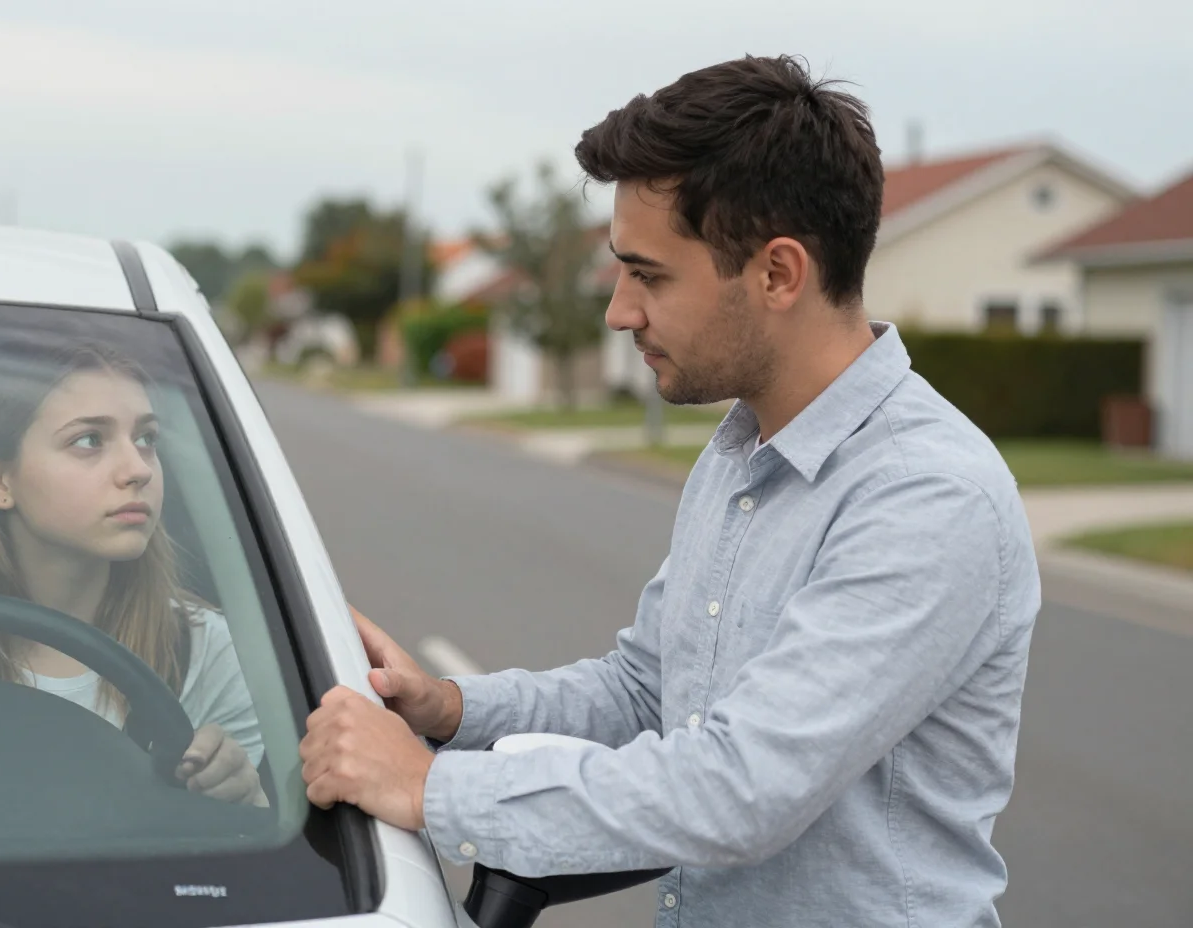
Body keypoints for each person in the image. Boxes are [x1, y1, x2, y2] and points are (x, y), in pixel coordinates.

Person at [299, 55, 1039, 927]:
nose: (618, 311)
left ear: (777, 274)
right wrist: (454, 709)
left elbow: (739, 789)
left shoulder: (926, 497)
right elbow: (648, 695)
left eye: (648, 275)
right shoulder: (740, 454)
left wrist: (431, 786)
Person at [0, 340, 267, 807]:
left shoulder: (207, 652)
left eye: (146, 438)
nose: (137, 469)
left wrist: (247, 802)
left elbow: (247, 859)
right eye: (89, 440)